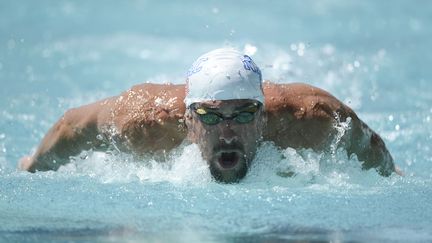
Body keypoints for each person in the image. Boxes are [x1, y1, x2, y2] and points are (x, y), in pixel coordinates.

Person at [19, 48, 399, 183]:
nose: (229, 131)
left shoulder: (309, 119)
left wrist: (392, 177)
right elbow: (72, 125)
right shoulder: (144, 124)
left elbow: (367, 142)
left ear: (264, 116)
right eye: (211, 116)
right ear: (188, 119)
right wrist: (33, 169)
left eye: (244, 114)